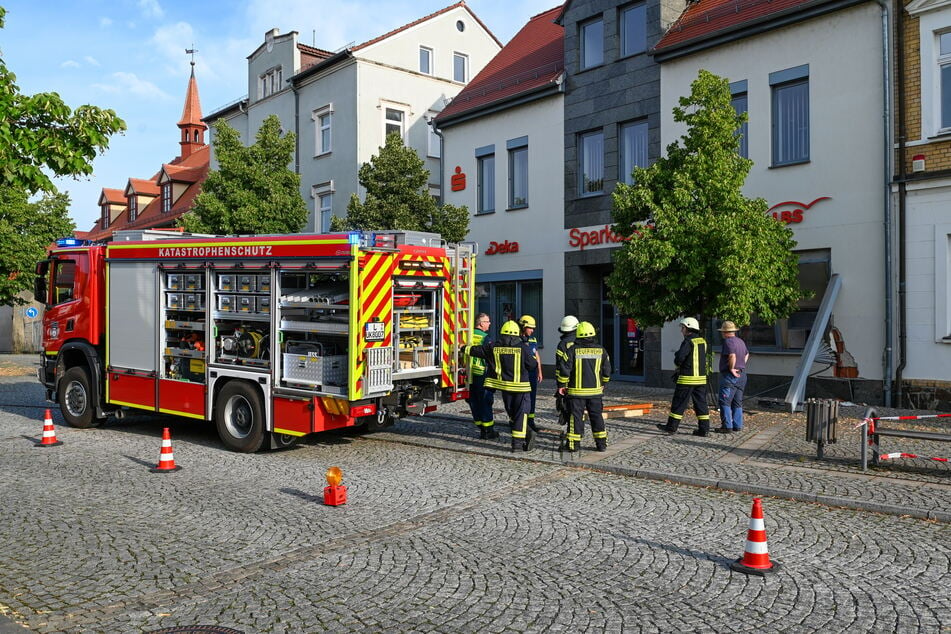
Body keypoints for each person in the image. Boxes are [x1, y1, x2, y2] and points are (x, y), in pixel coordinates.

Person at [467, 320, 538, 451]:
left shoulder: (493, 347)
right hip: (521, 388)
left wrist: (462, 348)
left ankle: (526, 434)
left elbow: (476, 351)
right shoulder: (523, 348)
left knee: (512, 413)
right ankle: (517, 444)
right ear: (517, 334)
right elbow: (532, 365)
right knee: (520, 414)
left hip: (505, 388)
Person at [556, 321, 612, 452]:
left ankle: (574, 445)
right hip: (595, 393)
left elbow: (564, 370)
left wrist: (561, 386)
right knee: (597, 417)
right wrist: (604, 383)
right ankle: (601, 444)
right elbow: (607, 371)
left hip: (577, 393)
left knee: (575, 418)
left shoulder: (572, 350)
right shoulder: (601, 350)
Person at [657, 317, 711, 437]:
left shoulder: (688, 341)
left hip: (687, 379)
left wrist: (677, 359)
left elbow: (679, 358)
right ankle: (704, 429)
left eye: (683, 328)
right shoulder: (702, 341)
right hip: (701, 379)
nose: (682, 330)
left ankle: (671, 428)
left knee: (679, 403)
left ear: (688, 328)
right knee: (701, 404)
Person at [714, 320, 749, 433]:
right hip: (742, 375)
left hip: (730, 376)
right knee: (737, 402)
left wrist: (731, 368)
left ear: (725, 332)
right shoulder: (740, 341)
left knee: (725, 401)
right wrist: (741, 365)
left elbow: (732, 355)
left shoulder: (728, 342)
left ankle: (727, 426)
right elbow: (747, 354)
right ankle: (737, 425)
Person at [466, 313, 497, 439]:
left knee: (473, 401)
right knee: (486, 400)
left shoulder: (467, 334)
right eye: (487, 321)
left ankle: (480, 424)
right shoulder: (486, 338)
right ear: (480, 323)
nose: (489, 324)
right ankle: (488, 430)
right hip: (482, 374)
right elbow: (491, 357)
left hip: (469, 373)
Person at [518, 314, 544, 433]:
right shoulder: (516, 339)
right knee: (521, 398)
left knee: (532, 397)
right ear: (523, 327)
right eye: (530, 328)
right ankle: (517, 420)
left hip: (532, 373)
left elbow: (537, 355)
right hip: (521, 372)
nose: (532, 330)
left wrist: (540, 371)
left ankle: (530, 421)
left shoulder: (533, 339)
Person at [554, 315, 579, 429]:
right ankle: (577, 431)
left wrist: (560, 386)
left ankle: (570, 431)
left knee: (568, 408)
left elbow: (560, 367)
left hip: (567, 382)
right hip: (582, 381)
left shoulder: (563, 344)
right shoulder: (582, 341)